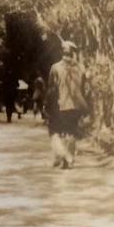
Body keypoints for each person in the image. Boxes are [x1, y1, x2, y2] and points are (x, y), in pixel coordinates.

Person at [45, 41, 90, 169]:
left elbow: (51, 89)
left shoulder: (55, 67)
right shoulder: (81, 68)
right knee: (71, 132)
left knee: (55, 132)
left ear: (61, 52)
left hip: (61, 104)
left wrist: (47, 105)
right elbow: (85, 88)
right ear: (73, 52)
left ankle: (64, 155)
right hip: (77, 105)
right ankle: (69, 159)